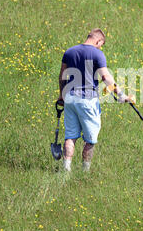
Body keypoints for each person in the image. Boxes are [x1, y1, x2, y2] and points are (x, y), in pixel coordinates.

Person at [57, 28, 133, 172]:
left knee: (70, 136)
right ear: (98, 41)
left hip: (70, 98)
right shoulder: (98, 53)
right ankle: (85, 171)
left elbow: (62, 76)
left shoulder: (69, 52)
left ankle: (66, 171)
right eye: (101, 44)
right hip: (87, 100)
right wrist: (121, 95)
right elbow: (106, 77)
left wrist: (61, 95)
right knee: (90, 139)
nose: (100, 47)